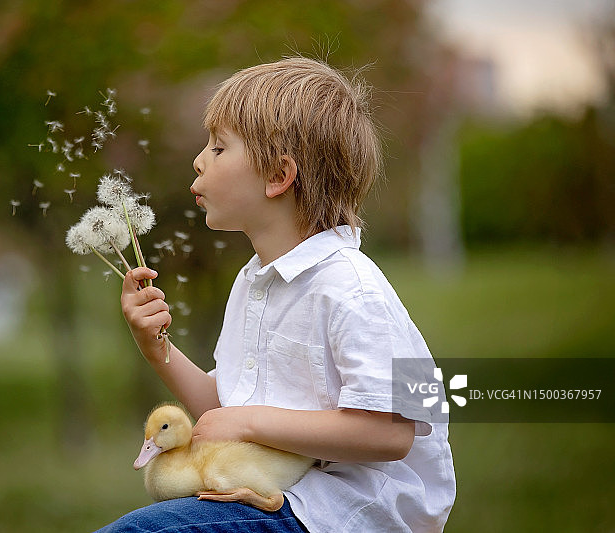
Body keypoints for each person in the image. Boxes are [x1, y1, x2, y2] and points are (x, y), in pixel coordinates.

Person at [98, 57, 456, 533]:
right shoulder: (255, 281)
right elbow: (224, 410)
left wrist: (248, 424)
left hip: (343, 512)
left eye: (219, 148)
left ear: (278, 176)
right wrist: (156, 347)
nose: (199, 159)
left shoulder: (354, 286)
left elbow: (395, 431)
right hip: (282, 495)